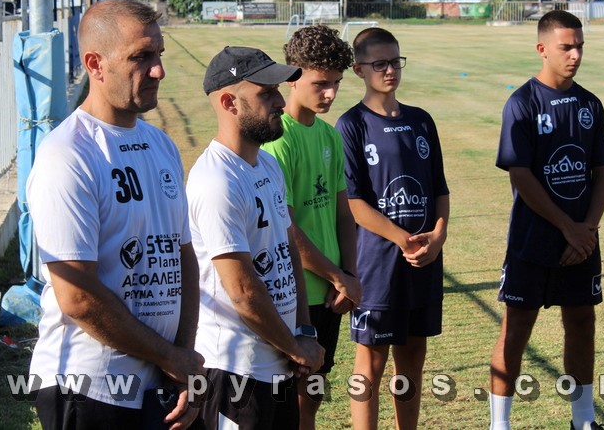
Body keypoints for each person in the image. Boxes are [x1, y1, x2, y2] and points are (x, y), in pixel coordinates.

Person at [26, 0, 205, 430]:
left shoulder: (161, 145)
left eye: (159, 54)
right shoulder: (67, 155)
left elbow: (183, 256)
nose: (158, 70)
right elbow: (77, 296)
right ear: (96, 64)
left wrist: (182, 359)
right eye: (141, 57)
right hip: (90, 387)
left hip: (161, 379)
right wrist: (170, 356)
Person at [186, 46, 325, 430]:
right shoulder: (216, 181)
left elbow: (288, 250)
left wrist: (304, 331)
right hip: (236, 373)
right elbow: (243, 292)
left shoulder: (267, 164)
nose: (281, 101)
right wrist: (295, 347)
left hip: (278, 361)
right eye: (266, 93)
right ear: (229, 102)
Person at [488, 10, 604, 430]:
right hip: (533, 240)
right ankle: (500, 424)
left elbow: (602, 173)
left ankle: (583, 420)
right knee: (516, 328)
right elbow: (521, 176)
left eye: (580, 47)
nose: (575, 55)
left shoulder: (590, 104)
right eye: (566, 47)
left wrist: (587, 229)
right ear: (542, 49)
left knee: (582, 323)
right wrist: (567, 227)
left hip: (582, 241)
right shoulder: (522, 103)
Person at [335, 27, 450, 430]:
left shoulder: (421, 121)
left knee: (413, 356)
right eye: (380, 63)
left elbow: (439, 189)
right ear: (358, 69)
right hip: (377, 265)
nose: (390, 71)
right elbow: (354, 203)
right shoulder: (352, 125)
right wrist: (403, 239)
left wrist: (438, 235)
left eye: (395, 62)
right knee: (371, 361)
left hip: (423, 261)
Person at [260, 25, 361, 430]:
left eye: (336, 83)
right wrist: (338, 276)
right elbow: (286, 227)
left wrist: (349, 275)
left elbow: (343, 214)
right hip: (294, 294)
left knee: (313, 396)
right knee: (289, 402)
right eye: (321, 84)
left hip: (333, 293)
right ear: (292, 77)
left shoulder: (330, 136)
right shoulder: (276, 141)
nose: (331, 94)